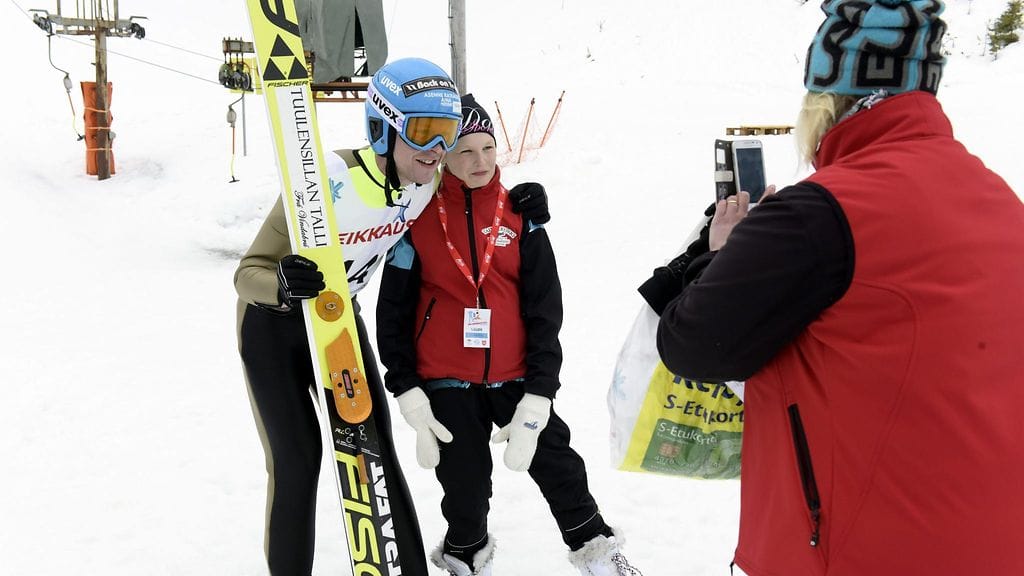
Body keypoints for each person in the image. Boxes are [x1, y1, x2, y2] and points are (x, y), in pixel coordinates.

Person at [647, 1, 1024, 575]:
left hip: (866, 547)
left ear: (828, 99)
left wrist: (722, 254)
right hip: (993, 536)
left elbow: (693, 345)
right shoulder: (997, 196)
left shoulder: (819, 213)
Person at [234, 58, 548, 576]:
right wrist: (285, 287)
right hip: (273, 326)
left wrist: (526, 201)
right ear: (382, 127)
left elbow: (479, 191)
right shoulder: (325, 179)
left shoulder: (425, 185)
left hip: (337, 322)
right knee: (297, 462)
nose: (438, 151)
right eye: (424, 133)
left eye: (446, 134)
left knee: (376, 456)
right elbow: (248, 272)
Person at [376, 94, 642, 576]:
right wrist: (407, 388)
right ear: (444, 158)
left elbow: (545, 309)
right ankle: (466, 558)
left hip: (516, 375)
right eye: (465, 152)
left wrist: (540, 392)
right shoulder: (415, 222)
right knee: (465, 482)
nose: (479, 162)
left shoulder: (522, 215)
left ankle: (599, 555)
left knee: (559, 465)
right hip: (446, 379)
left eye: (487, 149)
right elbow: (392, 311)